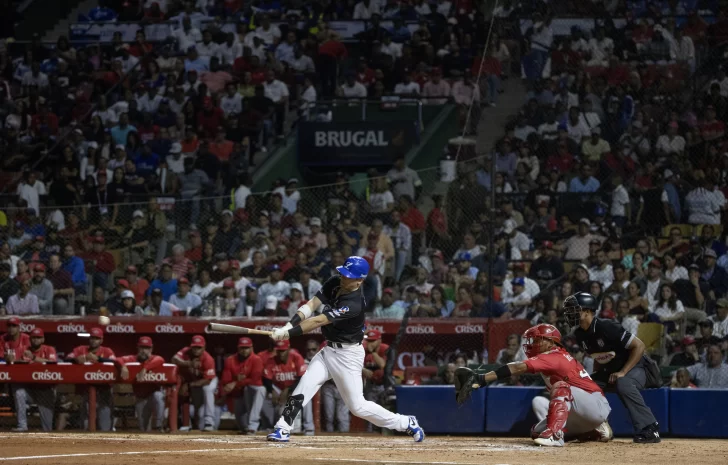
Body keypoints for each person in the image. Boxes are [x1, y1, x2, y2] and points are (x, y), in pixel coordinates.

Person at [266, 256, 424, 442]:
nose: (343, 277)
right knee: (305, 384)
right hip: (328, 350)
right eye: (343, 272)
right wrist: (288, 325)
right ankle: (283, 428)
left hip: (348, 355)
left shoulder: (354, 303)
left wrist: (288, 334)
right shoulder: (335, 281)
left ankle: (405, 422)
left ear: (360, 280)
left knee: (357, 407)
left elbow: (318, 320)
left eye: (348, 275)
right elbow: (311, 305)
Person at [454, 324, 612, 446]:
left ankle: (555, 436)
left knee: (561, 386)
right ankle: (593, 431)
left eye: (537, 340)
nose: (532, 343)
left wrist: (482, 379)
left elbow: (517, 368)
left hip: (595, 405)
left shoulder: (554, 355)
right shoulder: (552, 356)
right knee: (536, 432)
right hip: (583, 409)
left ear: (550, 342)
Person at [564, 292, 662, 443]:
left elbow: (639, 346)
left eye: (575, 309)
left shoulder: (607, 326)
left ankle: (649, 428)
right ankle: (594, 427)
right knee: (583, 385)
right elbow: (599, 356)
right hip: (612, 371)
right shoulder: (580, 334)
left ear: (588, 311)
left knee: (623, 382)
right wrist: (593, 379)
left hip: (640, 367)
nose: (570, 313)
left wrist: (622, 372)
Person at [66, 327, 116, 431]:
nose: (94, 340)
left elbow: (115, 362)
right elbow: (67, 358)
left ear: (101, 340)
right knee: (86, 424)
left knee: (104, 426)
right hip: (86, 390)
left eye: (97, 338)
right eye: (92, 338)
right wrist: (75, 359)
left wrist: (99, 359)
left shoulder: (107, 351)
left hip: (104, 390)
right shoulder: (81, 349)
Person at [116, 337, 167, 432]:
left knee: (158, 395)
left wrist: (145, 368)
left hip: (152, 396)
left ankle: (159, 426)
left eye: (147, 348)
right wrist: (123, 366)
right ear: (138, 348)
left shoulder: (154, 359)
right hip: (140, 398)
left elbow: (161, 359)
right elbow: (118, 359)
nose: (144, 351)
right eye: (142, 348)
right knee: (143, 429)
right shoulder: (133, 359)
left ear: (151, 349)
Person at [12, 328, 56, 432]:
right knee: (19, 392)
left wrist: (34, 358)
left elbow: (52, 364)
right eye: (33, 337)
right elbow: (14, 361)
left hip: (45, 391)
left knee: (47, 428)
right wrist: (10, 359)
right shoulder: (23, 349)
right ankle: (22, 426)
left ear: (43, 339)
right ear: (30, 339)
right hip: (30, 390)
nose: (36, 340)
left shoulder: (49, 349)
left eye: (38, 337)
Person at [218, 337, 265, 434]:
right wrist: (237, 381)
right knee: (243, 426)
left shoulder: (257, 360)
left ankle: (253, 424)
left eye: (247, 348)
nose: (244, 350)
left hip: (251, 394)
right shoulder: (230, 360)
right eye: (242, 348)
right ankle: (249, 427)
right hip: (238, 394)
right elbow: (225, 380)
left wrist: (236, 382)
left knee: (261, 389)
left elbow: (254, 380)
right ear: (238, 348)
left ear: (251, 348)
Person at [172, 335, 217, 431]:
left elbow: (207, 380)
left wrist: (189, 385)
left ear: (204, 347)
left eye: (199, 348)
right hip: (193, 381)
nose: (196, 350)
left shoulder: (208, 359)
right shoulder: (186, 351)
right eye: (194, 347)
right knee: (197, 410)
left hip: (207, 381)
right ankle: (186, 424)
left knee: (207, 389)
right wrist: (188, 363)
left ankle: (209, 422)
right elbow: (174, 359)